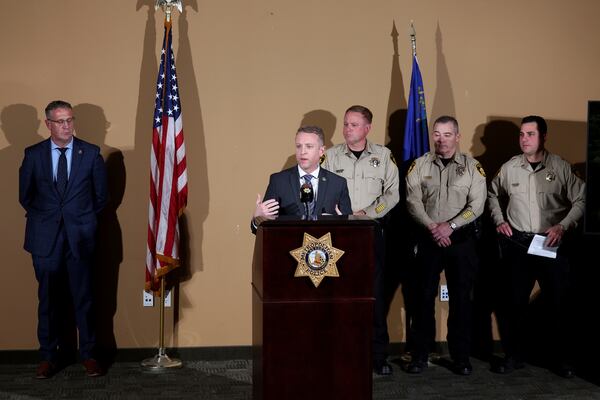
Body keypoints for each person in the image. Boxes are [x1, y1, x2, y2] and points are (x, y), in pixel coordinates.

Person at [487, 115, 585, 378]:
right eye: (521, 134)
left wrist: (563, 225)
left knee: (558, 304)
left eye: (530, 134)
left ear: (543, 137)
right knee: (514, 303)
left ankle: (562, 359)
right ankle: (513, 356)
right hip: (519, 243)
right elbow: (492, 194)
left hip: (549, 243)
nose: (524, 139)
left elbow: (581, 200)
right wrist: (499, 220)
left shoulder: (561, 167)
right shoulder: (509, 168)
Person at [19, 100, 108, 378]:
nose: (67, 125)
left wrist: (79, 221)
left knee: (85, 299)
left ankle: (89, 355)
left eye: (70, 120)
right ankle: (48, 357)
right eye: (60, 121)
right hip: (44, 239)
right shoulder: (33, 155)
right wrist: (49, 220)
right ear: (48, 124)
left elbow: (101, 197)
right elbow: (26, 196)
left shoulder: (91, 153)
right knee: (47, 299)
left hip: (80, 238)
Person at [404, 115, 486, 375]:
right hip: (428, 239)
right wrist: (433, 227)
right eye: (437, 134)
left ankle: (461, 357)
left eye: (447, 134)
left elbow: (477, 204)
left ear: (458, 136)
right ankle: (419, 354)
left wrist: (449, 226)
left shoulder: (473, 167)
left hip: (460, 241)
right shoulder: (419, 165)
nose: (441, 139)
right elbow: (413, 201)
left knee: (461, 300)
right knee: (422, 299)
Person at [321, 105, 399, 375]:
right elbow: (320, 188)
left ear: (367, 128)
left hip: (370, 232)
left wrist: (368, 213)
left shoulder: (383, 156)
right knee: (338, 296)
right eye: (345, 124)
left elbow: (392, 194)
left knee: (373, 296)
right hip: (339, 233)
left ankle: (377, 356)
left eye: (353, 125)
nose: (347, 129)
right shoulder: (330, 157)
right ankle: (339, 354)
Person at [252, 125, 352, 231]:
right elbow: (260, 230)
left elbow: (351, 231)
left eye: (309, 146)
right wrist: (257, 218)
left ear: (321, 151)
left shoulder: (338, 183)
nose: (302, 151)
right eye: (298, 146)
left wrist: (343, 223)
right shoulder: (278, 181)